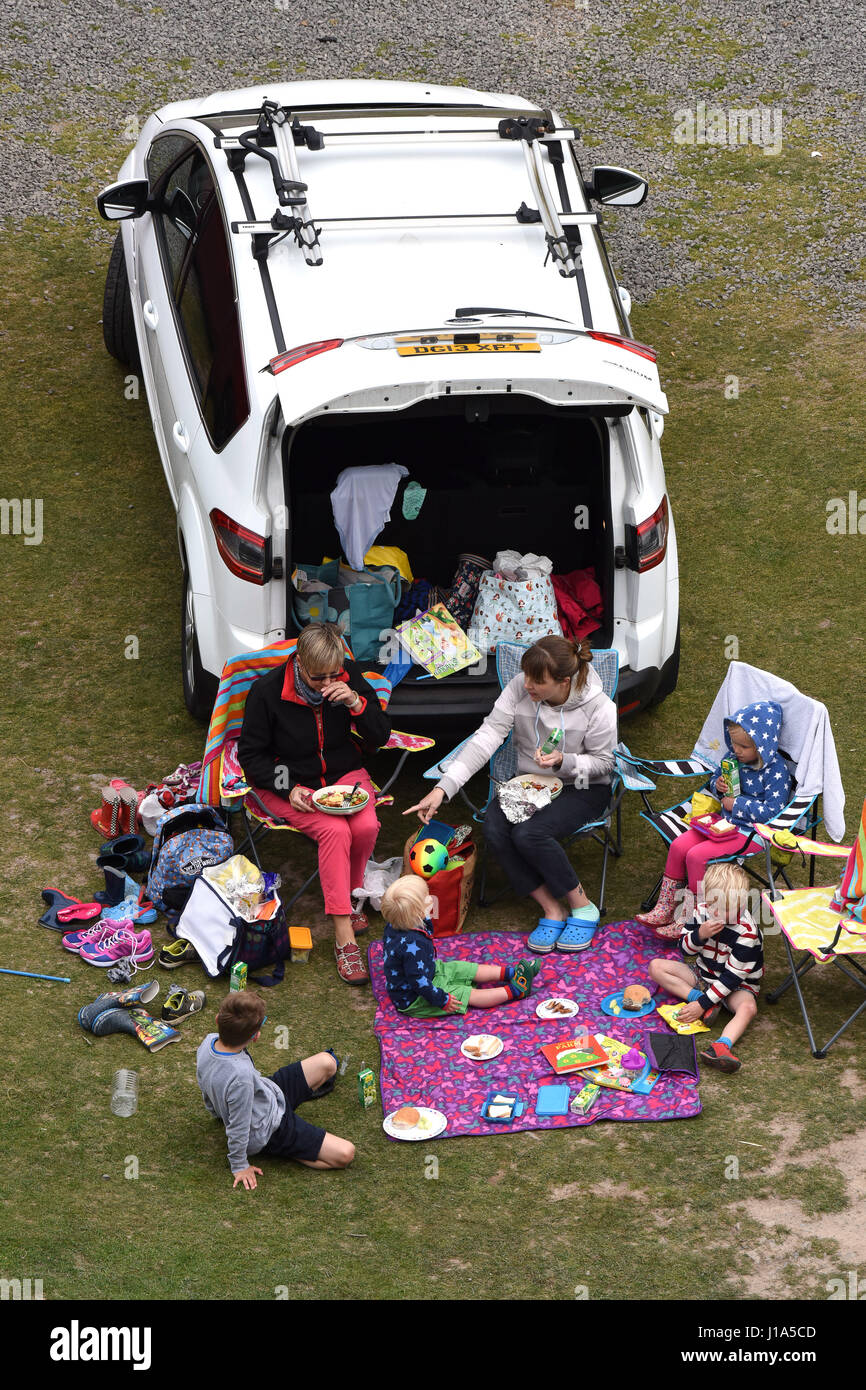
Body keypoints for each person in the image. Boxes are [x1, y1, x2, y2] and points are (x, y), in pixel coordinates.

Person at [405, 636, 616, 954]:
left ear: (563, 681)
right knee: (495, 827)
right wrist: (443, 787)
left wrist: (565, 761)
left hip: (583, 786)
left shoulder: (599, 707)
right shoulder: (521, 687)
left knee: (531, 833)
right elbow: (487, 736)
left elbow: (604, 764)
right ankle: (551, 908)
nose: (527, 684)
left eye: (538, 681)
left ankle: (582, 905)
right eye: (526, 675)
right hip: (529, 784)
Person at [238, 623, 390, 984]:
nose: (326, 683)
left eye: (332, 674)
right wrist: (286, 786)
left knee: (367, 825)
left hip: (343, 774)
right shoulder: (268, 692)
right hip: (289, 784)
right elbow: (251, 755)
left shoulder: (347, 676)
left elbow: (380, 735)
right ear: (299, 663)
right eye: (317, 676)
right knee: (335, 830)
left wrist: (355, 701)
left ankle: (350, 898)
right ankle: (344, 937)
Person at [636, 700, 792, 936]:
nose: (736, 750)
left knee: (697, 856)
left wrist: (736, 804)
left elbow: (774, 810)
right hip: (721, 824)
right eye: (734, 743)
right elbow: (715, 778)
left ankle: (693, 917)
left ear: (763, 745)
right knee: (679, 846)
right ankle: (665, 907)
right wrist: (718, 786)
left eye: (744, 746)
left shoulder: (776, 771)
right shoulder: (733, 758)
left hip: (750, 832)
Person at [195, 990, 355, 1188]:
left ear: (217, 1019)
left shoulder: (208, 1041)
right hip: (270, 1129)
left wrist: (218, 1111)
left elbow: (205, 1082)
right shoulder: (241, 1077)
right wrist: (239, 1165)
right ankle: (289, 1148)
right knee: (346, 1153)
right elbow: (239, 1126)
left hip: (269, 1091)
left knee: (328, 1063)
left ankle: (297, 1137)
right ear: (256, 1036)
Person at [648, 863, 763, 1074]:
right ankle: (707, 1004)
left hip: (736, 987)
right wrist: (700, 934)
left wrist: (701, 1003)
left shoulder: (747, 931)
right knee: (656, 967)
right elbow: (684, 949)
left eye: (724, 909)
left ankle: (721, 1045)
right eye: (712, 905)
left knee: (748, 1008)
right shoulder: (702, 911)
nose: (716, 913)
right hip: (703, 975)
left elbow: (731, 978)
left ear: (740, 904)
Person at [381, 874, 541, 1016]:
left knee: (465, 968)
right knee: (466, 994)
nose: (431, 898)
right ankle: (518, 990)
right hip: (415, 997)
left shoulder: (399, 922)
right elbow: (418, 982)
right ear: (418, 912)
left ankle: (512, 973)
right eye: (427, 897)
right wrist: (442, 999)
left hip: (429, 971)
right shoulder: (413, 943)